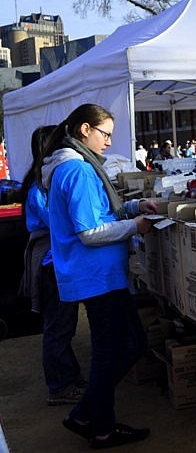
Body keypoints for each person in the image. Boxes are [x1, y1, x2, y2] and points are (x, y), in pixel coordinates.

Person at [40, 104, 157, 449]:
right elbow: (90, 232)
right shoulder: (76, 169)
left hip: (99, 275)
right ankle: (91, 419)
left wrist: (134, 208)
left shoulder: (75, 165)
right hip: (97, 276)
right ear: (84, 130)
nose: (108, 142)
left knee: (121, 347)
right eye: (104, 134)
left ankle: (97, 422)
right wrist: (134, 225)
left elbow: (100, 213)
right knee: (121, 348)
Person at [18, 125, 86, 407]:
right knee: (58, 326)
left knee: (65, 324)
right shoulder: (38, 188)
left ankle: (69, 376)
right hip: (50, 263)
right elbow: (57, 219)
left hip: (57, 260)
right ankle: (59, 386)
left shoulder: (44, 182)